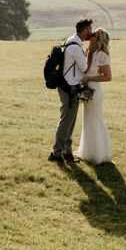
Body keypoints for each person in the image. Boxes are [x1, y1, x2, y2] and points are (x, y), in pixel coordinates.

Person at [49, 17, 93, 163]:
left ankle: (67, 153)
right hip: (69, 87)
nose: (90, 34)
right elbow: (85, 68)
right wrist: (90, 53)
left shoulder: (72, 41)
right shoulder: (75, 47)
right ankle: (56, 153)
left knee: (70, 121)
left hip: (68, 85)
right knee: (67, 121)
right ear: (85, 30)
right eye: (90, 30)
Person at [74, 28, 113, 164]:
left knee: (97, 120)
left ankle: (101, 154)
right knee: (88, 121)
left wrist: (89, 80)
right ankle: (88, 152)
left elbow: (108, 77)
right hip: (86, 89)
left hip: (95, 91)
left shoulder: (101, 55)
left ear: (99, 39)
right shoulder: (87, 50)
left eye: (94, 35)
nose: (90, 36)